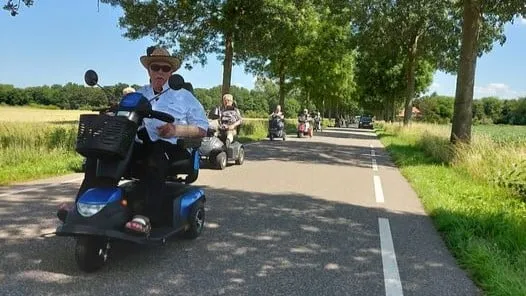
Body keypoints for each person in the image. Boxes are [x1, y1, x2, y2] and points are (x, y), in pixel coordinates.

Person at [61, 46, 209, 235]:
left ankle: (145, 217)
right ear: (148, 70)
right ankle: (83, 207)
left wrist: (176, 130)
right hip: (138, 143)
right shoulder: (140, 94)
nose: (160, 72)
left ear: (172, 72)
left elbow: (202, 129)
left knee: (154, 158)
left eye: (165, 68)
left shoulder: (184, 96)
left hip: (171, 146)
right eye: (156, 67)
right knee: (99, 155)